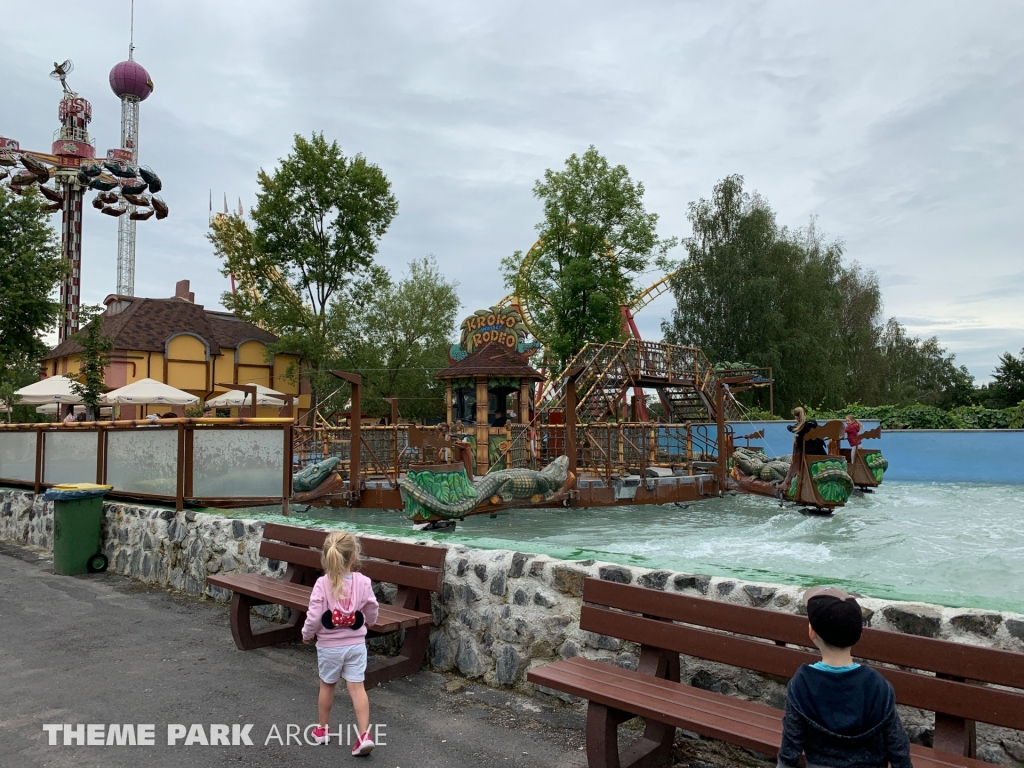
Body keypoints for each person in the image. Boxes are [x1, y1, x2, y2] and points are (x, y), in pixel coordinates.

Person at [777, 587, 912, 768]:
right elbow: (897, 745)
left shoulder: (802, 683)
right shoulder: (877, 685)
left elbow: (790, 746)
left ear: (812, 632)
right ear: (858, 634)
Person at [301, 531, 379, 755]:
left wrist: (307, 634)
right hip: (356, 645)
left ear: (327, 557)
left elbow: (314, 615)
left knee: (327, 685)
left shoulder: (322, 584)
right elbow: (372, 608)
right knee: (357, 687)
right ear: (354, 556)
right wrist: (370, 623)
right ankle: (364, 735)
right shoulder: (363, 582)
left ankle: (323, 729)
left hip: (329, 647)